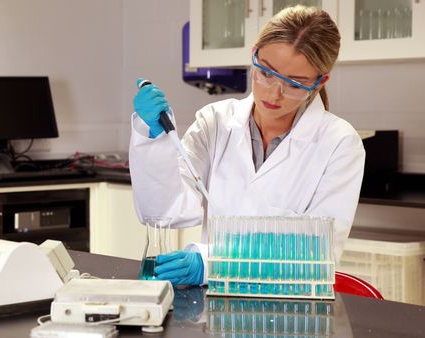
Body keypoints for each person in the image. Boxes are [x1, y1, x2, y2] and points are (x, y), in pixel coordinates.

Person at [129, 5, 365, 286]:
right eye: (266, 72)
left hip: (289, 312)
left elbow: (317, 255)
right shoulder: (214, 122)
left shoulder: (339, 143)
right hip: (215, 307)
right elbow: (165, 211)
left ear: (319, 81)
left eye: (295, 83)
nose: (274, 93)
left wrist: (211, 264)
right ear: (255, 54)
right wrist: (153, 139)